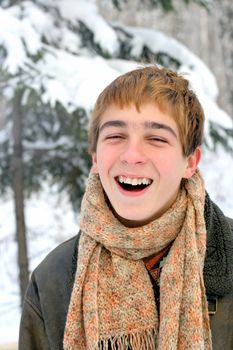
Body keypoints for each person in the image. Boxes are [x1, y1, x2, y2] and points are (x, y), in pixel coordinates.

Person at [19, 65, 233, 350]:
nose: (132, 156)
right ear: (95, 156)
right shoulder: (53, 281)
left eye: (157, 139)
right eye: (116, 136)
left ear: (190, 163)